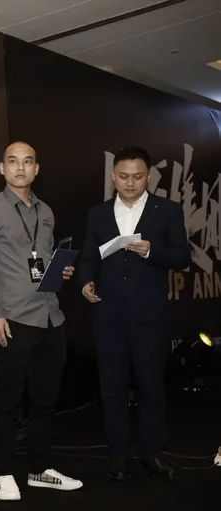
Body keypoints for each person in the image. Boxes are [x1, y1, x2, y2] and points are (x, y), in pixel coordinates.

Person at [0, 141, 83, 501]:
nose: (20, 168)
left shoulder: (46, 211)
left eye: (28, 162)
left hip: (50, 316)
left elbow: (42, 258)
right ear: (2, 168)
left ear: (37, 169)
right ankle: (2, 472)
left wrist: (59, 270)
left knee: (45, 401)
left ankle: (40, 468)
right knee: (8, 402)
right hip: (13, 317)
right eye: (13, 161)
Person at [78, 147, 190, 481]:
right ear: (113, 176)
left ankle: (151, 453)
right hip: (108, 314)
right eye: (124, 176)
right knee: (111, 388)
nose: (130, 182)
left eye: (137, 176)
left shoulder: (167, 210)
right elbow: (88, 257)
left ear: (148, 176)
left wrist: (153, 251)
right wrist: (85, 282)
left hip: (149, 315)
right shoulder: (97, 213)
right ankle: (118, 456)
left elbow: (182, 257)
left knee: (151, 385)